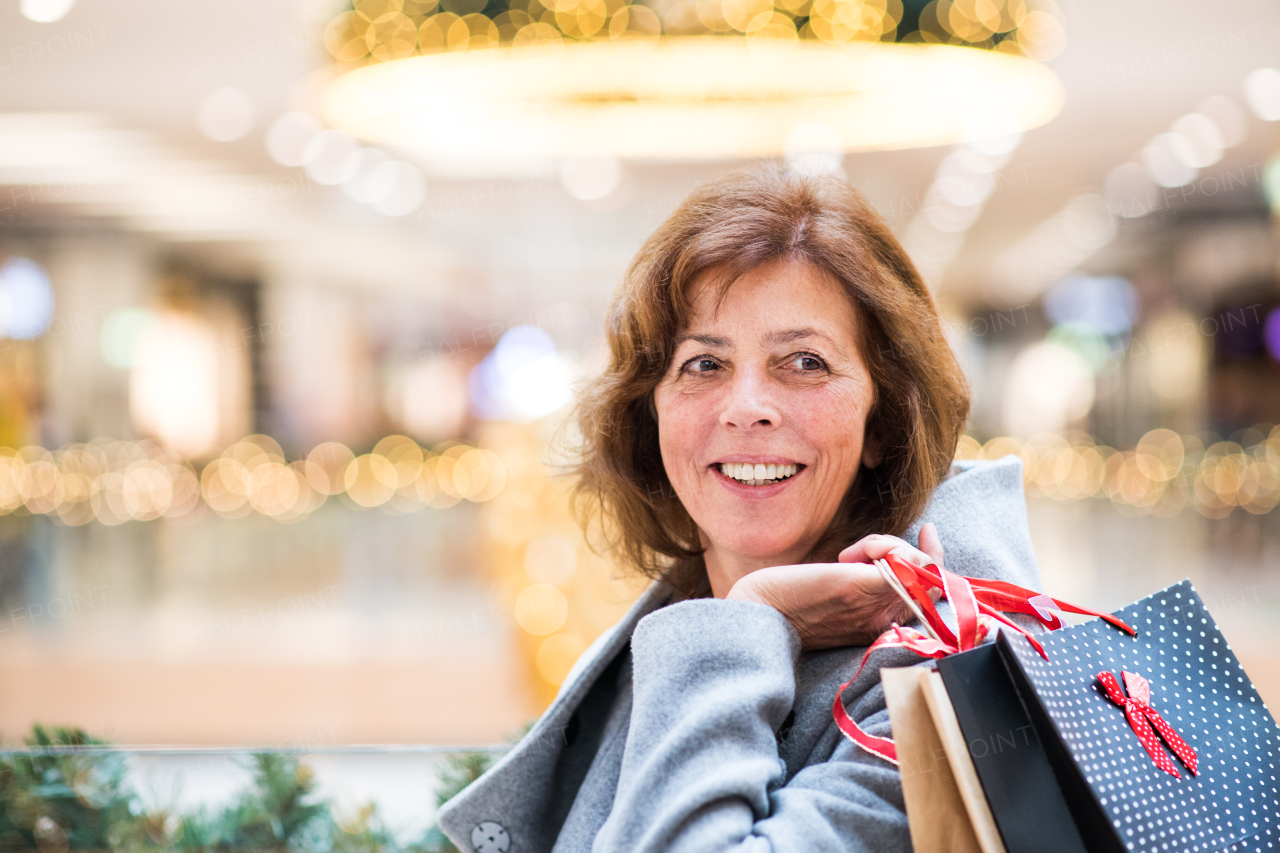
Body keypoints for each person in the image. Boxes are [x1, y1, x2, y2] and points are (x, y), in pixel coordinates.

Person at [438, 162, 1045, 853]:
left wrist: (752, 617)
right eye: (704, 364)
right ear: (652, 411)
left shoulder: (938, 672)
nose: (747, 407)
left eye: (805, 361)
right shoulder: (678, 617)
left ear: (882, 422)